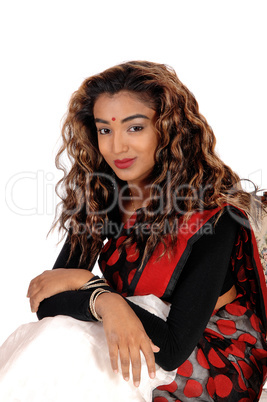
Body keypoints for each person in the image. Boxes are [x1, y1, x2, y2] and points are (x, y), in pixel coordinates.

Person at [1, 61, 267, 401]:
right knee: (57, 335)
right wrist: (107, 303)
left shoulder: (213, 215)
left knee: (70, 347)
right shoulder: (106, 198)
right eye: (105, 131)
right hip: (138, 328)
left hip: (211, 358)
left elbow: (171, 347)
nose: (117, 148)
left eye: (135, 128)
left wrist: (88, 285)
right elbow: (47, 299)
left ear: (169, 130)